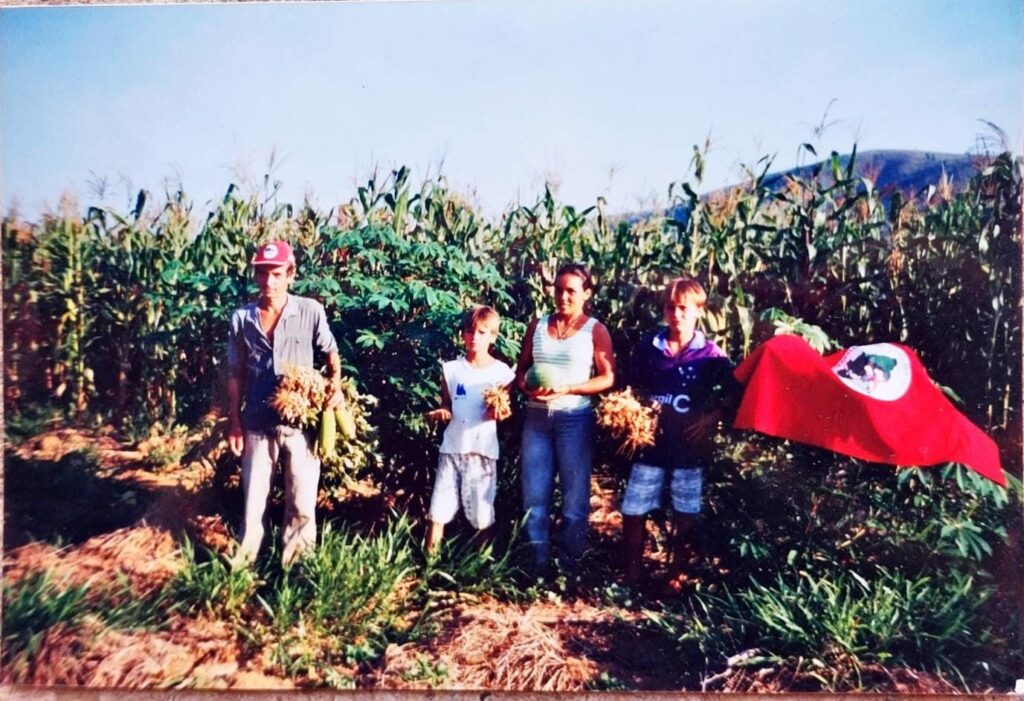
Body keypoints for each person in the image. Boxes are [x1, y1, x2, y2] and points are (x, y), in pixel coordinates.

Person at [226, 240, 343, 566]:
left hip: (300, 425)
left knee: (301, 502)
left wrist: (334, 384)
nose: (269, 282)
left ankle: (298, 567)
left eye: (277, 274)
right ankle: (244, 566)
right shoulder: (242, 319)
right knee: (253, 502)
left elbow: (331, 352)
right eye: (263, 274)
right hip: (257, 423)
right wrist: (234, 422)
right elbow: (235, 373)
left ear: (290, 274)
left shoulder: (310, 311)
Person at [620, 277, 738, 589]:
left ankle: (677, 575)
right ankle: (633, 573)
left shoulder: (711, 355)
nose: (677, 314)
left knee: (685, 513)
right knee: (634, 510)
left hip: (688, 448)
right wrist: (634, 411)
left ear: (699, 310)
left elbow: (734, 392)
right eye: (671, 307)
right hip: (650, 446)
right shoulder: (649, 348)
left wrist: (712, 417)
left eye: (684, 308)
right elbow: (631, 386)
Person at [515, 263, 615, 578]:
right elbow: (521, 370)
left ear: (586, 294)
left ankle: (570, 570)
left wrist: (568, 388)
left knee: (574, 501)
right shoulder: (537, 325)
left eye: (571, 291)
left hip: (574, 420)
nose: (563, 296)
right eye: (558, 290)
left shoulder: (595, 330)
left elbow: (607, 377)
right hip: (536, 420)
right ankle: (537, 568)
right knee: (534, 498)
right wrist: (527, 387)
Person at [425, 305, 516, 552]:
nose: (475, 337)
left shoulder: (502, 373)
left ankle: (480, 564)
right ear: (463, 334)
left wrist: (499, 411)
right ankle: (429, 563)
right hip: (452, 448)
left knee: (481, 514)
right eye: (470, 331)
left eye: (482, 332)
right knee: (438, 510)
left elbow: (504, 411)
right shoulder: (451, 369)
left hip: (482, 451)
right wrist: (441, 412)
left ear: (493, 337)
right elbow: (447, 404)